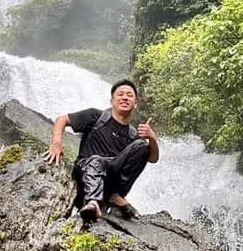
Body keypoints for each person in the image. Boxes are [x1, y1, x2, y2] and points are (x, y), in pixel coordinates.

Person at [42, 79, 158, 221]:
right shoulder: (96, 116)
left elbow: (152, 158)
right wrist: (56, 143)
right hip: (84, 176)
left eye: (129, 95)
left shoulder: (132, 134)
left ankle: (115, 195)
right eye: (120, 94)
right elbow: (62, 119)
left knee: (142, 146)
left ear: (135, 103)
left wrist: (152, 138)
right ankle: (93, 203)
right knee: (97, 161)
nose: (125, 97)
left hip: (109, 181)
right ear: (112, 101)